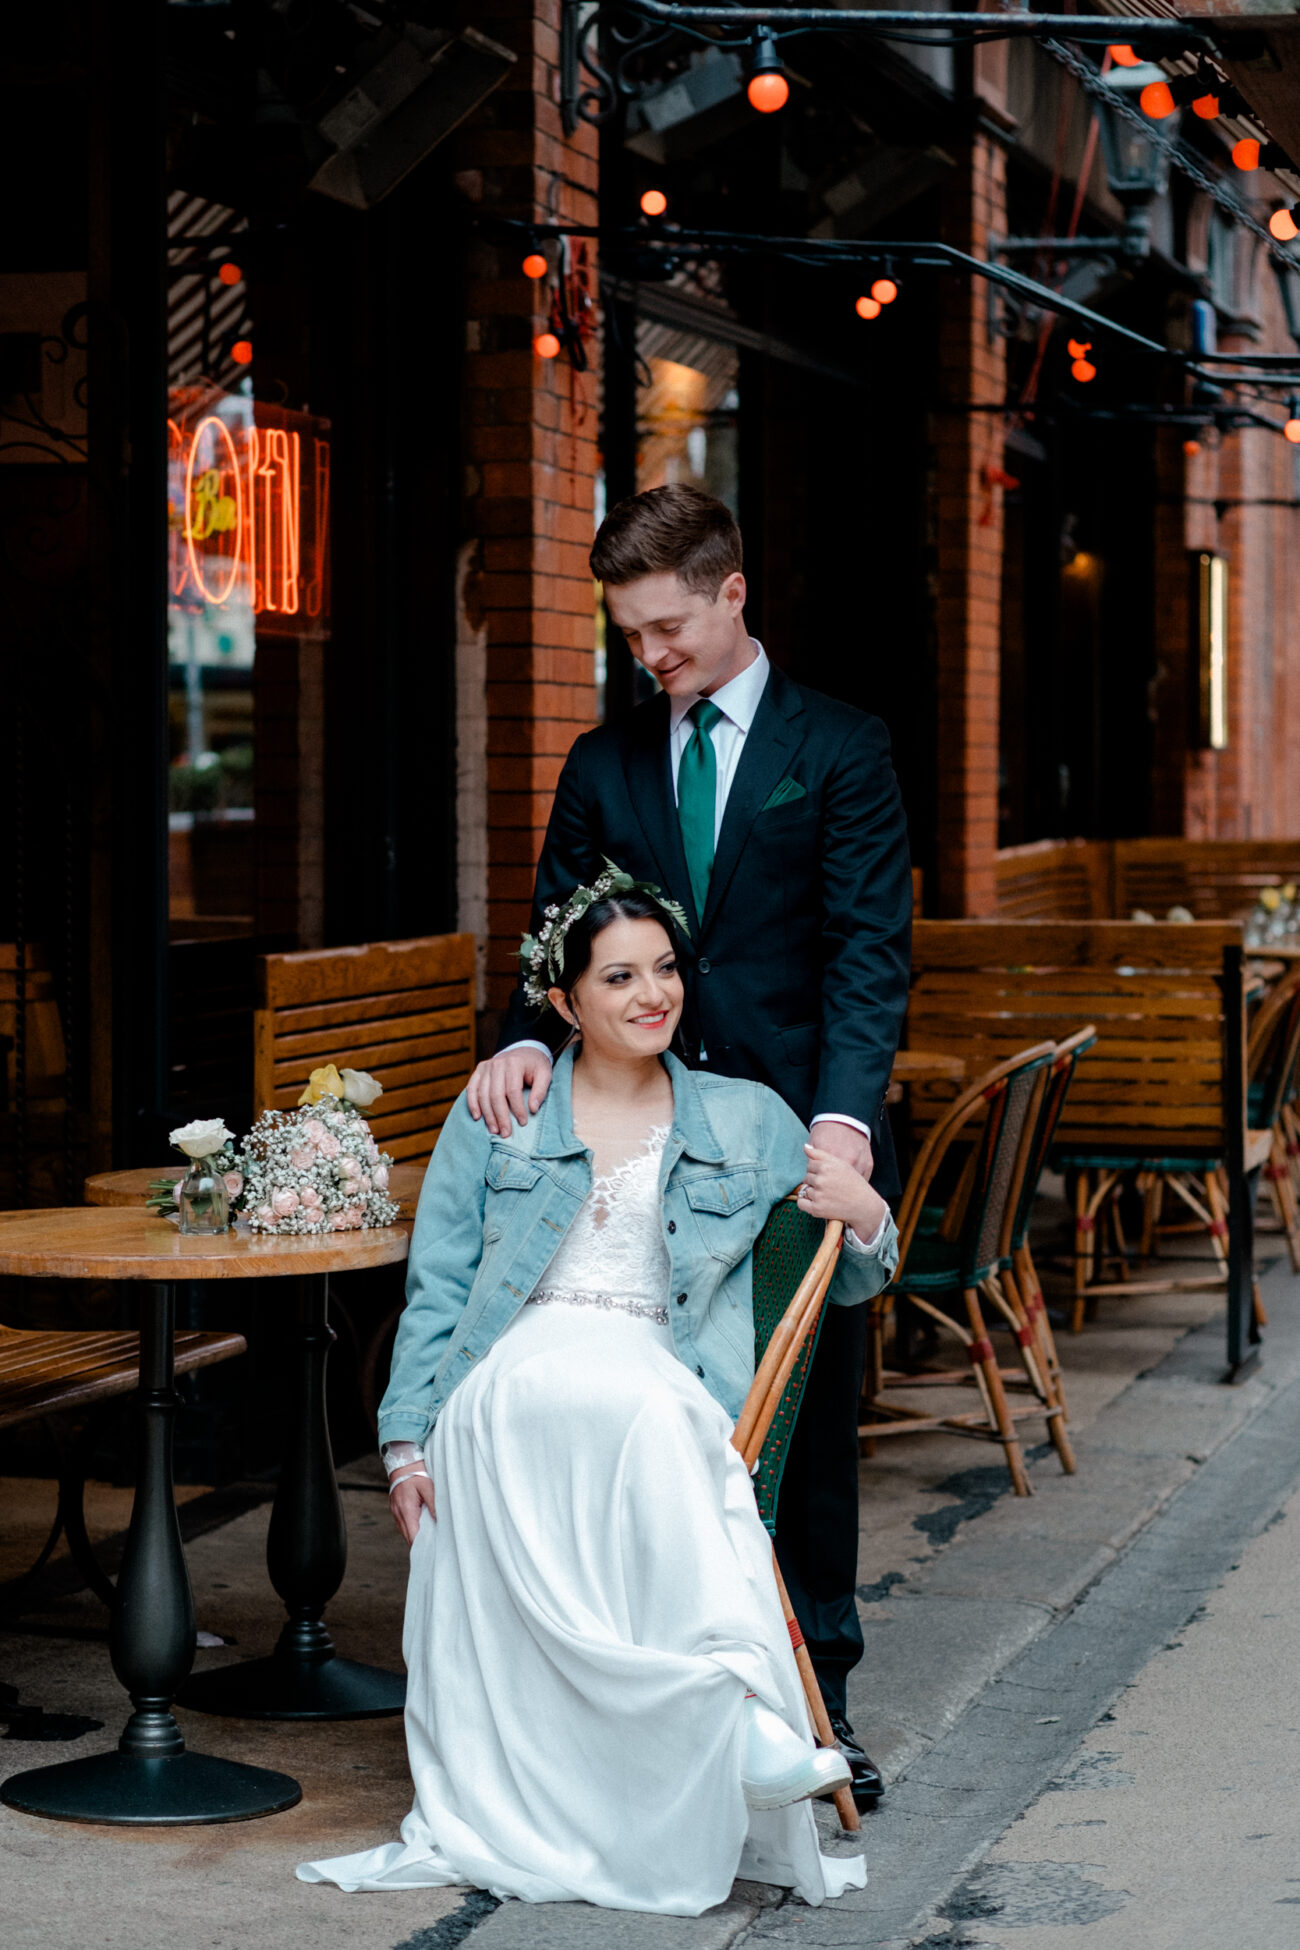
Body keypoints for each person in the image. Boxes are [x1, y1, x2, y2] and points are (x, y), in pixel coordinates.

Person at [298, 877, 898, 1916]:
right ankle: (743, 1722)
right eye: (618, 976)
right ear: (566, 1003)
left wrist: (869, 1215)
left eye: (664, 969)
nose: (650, 993)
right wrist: (405, 1443)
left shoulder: (746, 1118)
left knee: (657, 1416)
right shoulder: (504, 1111)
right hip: (513, 1370)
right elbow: (437, 1284)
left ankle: (732, 1720)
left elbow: (837, 1275)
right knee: (617, 1415)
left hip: (656, 1368)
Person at [466, 484, 912, 1804]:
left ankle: (817, 1698)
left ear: (731, 594)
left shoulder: (841, 746)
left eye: (665, 627)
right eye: (630, 635)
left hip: (783, 1143)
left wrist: (843, 1125)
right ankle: (649, 1706)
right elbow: (556, 921)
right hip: (627, 1133)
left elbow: (866, 955)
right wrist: (524, 1033)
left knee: (798, 1421)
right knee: (640, 1419)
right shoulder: (604, 763)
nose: (648, 656)